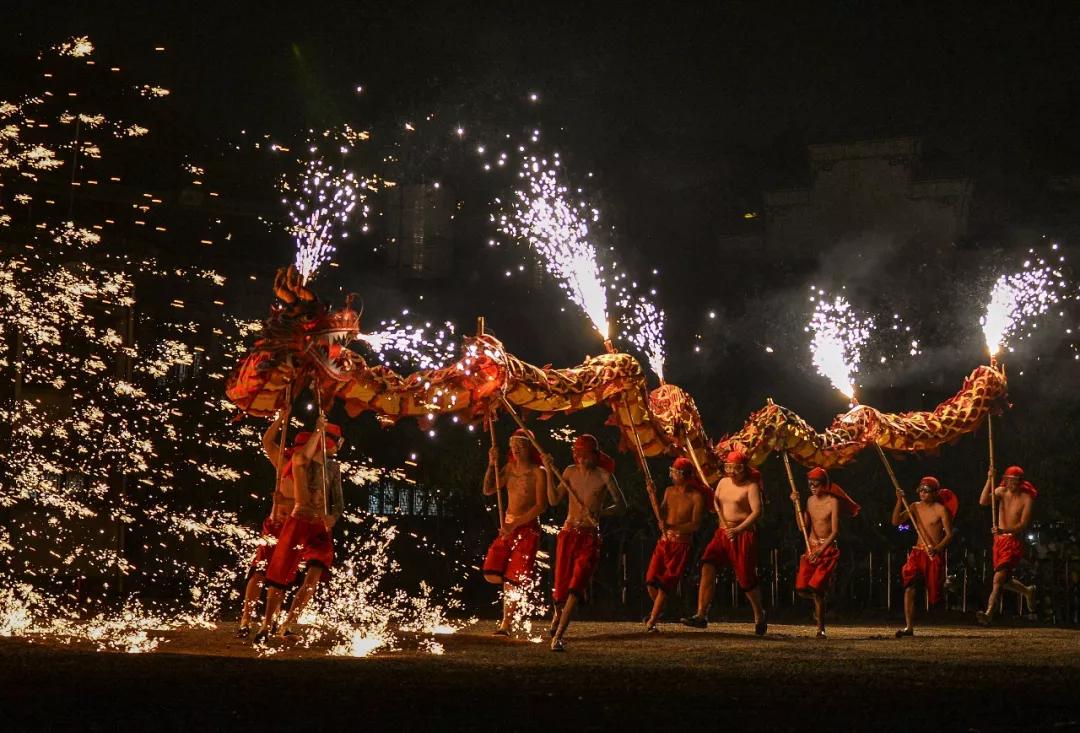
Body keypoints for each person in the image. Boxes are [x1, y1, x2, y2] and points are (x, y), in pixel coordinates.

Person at [254, 414, 344, 643]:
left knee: (314, 576)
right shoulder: (297, 461)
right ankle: (266, 625)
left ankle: (287, 624)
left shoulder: (333, 468)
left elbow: (339, 502)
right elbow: (301, 456)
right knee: (279, 576)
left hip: (320, 528)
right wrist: (318, 429)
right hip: (298, 522)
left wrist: (332, 518)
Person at [546, 434, 626, 652]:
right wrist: (547, 471)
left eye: (585, 455)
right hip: (567, 534)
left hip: (589, 538)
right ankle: (557, 614)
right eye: (578, 454)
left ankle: (559, 635)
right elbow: (553, 500)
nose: (581, 459)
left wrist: (600, 511)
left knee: (576, 586)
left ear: (595, 454)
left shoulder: (604, 476)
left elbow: (621, 505)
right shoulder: (569, 472)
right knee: (561, 588)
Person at [681, 450, 767, 636]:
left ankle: (759, 614)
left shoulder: (750, 486)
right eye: (729, 468)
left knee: (746, 578)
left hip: (742, 534)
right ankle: (701, 615)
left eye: (737, 469)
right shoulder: (722, 482)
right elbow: (716, 502)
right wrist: (711, 502)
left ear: (744, 469)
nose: (732, 472)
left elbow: (756, 512)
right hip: (722, 533)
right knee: (707, 565)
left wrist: (738, 529)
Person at [482, 429, 550, 635]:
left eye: (520, 446)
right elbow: (489, 489)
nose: (516, 450)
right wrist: (491, 465)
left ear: (529, 447)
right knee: (491, 573)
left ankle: (506, 623)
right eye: (513, 447)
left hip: (528, 529)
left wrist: (516, 523)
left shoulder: (539, 472)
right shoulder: (509, 469)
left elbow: (541, 506)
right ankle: (516, 585)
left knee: (513, 579)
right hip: (508, 527)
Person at [237, 408, 295, 638]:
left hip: (293, 528)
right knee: (259, 570)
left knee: (280, 576)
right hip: (274, 524)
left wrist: (288, 500)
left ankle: (270, 621)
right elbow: (267, 441)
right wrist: (281, 419)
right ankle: (245, 619)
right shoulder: (285, 465)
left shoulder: (314, 474)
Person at [793, 466, 860, 638]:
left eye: (817, 484)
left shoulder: (833, 502)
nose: (813, 487)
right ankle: (825, 600)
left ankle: (820, 628)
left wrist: (821, 550)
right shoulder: (809, 501)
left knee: (817, 590)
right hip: (811, 548)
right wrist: (796, 504)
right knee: (801, 588)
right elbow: (802, 526)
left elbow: (835, 531)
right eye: (810, 484)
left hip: (827, 550)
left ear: (825, 484)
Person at [644, 457, 707, 632]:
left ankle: (652, 621)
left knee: (665, 584)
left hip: (681, 544)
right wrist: (652, 494)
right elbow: (661, 513)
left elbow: (695, 525)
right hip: (664, 542)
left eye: (675, 472)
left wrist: (673, 526)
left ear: (684, 475)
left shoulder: (696, 497)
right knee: (650, 581)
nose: (671, 475)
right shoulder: (668, 491)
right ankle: (664, 609)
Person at [892, 476, 957, 638]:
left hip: (933, 554)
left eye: (926, 490)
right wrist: (899, 500)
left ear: (935, 493)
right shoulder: (914, 506)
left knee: (935, 594)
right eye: (920, 490)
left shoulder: (941, 510)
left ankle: (946, 583)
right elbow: (895, 521)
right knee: (909, 588)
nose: (922, 493)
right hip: (917, 553)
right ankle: (909, 627)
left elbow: (949, 535)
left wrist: (937, 548)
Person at [976, 465, 1038, 625]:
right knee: (1004, 579)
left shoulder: (1026, 498)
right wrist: (989, 479)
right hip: (999, 541)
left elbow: (1023, 524)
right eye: (1008, 480)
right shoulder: (1001, 492)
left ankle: (989, 612)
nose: (1011, 484)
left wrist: (1004, 529)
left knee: (998, 578)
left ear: (1020, 482)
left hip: (1012, 541)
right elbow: (983, 501)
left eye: (1014, 481)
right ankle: (1027, 591)